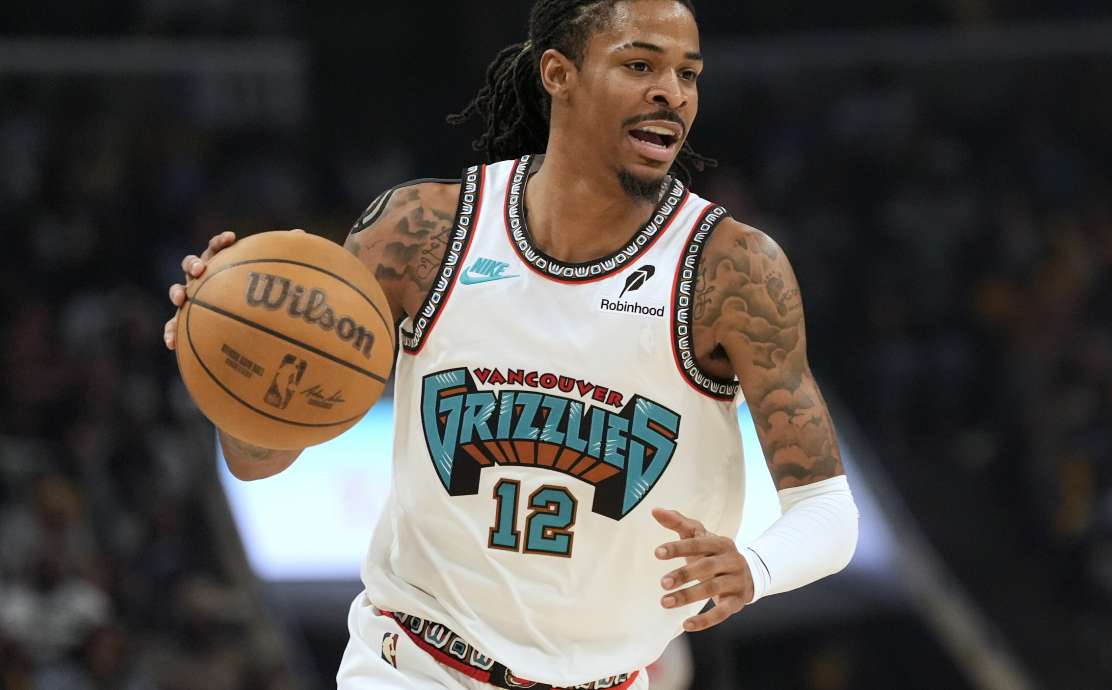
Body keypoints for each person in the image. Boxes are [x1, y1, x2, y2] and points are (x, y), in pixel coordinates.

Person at [163, 0, 859, 687]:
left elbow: (828, 513)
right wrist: (231, 357)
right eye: (640, 64)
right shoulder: (420, 233)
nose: (670, 92)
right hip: (411, 664)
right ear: (558, 73)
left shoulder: (731, 272)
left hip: (609, 679)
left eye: (688, 74)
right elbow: (259, 460)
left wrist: (755, 570)